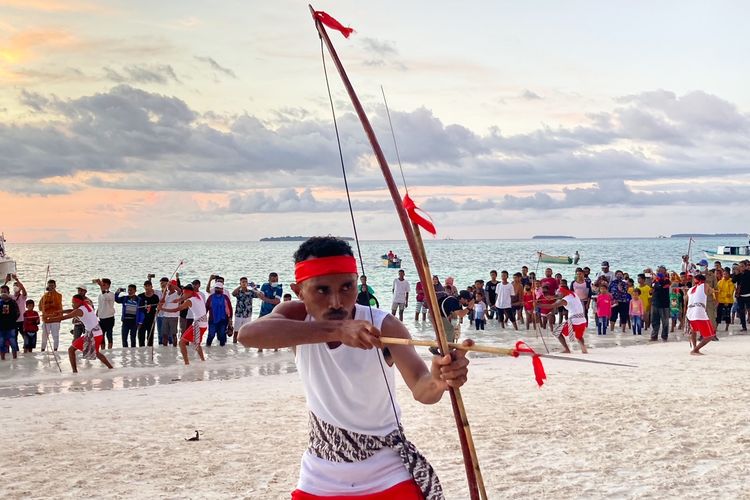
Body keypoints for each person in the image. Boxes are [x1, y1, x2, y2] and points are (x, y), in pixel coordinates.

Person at [238, 236, 471, 500]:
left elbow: (422, 389)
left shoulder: (384, 325)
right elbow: (248, 334)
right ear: (299, 290)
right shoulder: (295, 316)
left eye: (346, 287)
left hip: (388, 473)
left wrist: (439, 380)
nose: (336, 301)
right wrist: (337, 329)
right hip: (320, 475)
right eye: (322, 290)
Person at [45, 294, 113, 373]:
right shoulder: (87, 306)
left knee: (71, 350)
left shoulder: (79, 310)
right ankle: (110, 368)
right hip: (98, 333)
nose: (72, 304)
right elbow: (72, 311)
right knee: (96, 352)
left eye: (73, 303)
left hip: (92, 335)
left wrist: (49, 320)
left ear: (78, 302)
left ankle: (74, 372)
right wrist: (61, 311)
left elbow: (64, 317)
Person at [159, 284, 207, 365]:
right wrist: (178, 300)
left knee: (181, 342)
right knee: (196, 343)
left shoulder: (189, 301)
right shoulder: (198, 296)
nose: (183, 294)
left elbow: (177, 309)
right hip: (204, 323)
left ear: (189, 292)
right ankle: (203, 360)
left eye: (184, 293)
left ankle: (187, 363)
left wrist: (162, 309)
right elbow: (184, 297)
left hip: (199, 324)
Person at [546, 282, 588, 354]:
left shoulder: (565, 300)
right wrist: (552, 297)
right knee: (579, 336)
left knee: (557, 332)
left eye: (559, 292)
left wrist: (538, 305)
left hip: (574, 321)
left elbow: (552, 306)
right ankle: (584, 349)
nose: (558, 293)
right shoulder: (573, 294)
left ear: (563, 292)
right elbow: (559, 296)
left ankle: (567, 349)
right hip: (582, 320)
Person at [686, 274, 716, 354]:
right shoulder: (705, 285)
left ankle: (695, 348)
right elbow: (710, 292)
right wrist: (712, 290)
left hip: (690, 312)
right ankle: (695, 350)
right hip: (699, 312)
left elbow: (685, 299)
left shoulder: (690, 290)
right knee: (710, 336)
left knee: (693, 330)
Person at [232, 278, 259, 344]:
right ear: (240, 283)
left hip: (248, 315)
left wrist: (254, 287)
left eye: (245, 282)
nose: (244, 283)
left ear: (247, 283)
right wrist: (240, 286)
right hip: (239, 314)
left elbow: (259, 295)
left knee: (246, 331)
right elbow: (233, 293)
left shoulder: (250, 292)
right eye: (242, 282)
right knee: (236, 331)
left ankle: (247, 347)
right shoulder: (238, 292)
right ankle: (234, 346)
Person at [206, 282, 233, 347]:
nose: (217, 289)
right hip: (212, 319)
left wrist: (230, 319)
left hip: (223, 319)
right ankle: (208, 349)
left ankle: (222, 352)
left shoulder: (225, 298)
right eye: (216, 288)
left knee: (222, 335)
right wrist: (203, 317)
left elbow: (229, 309)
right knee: (211, 335)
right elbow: (206, 307)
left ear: (222, 289)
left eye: (219, 288)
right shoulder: (211, 297)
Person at [39, 279, 63, 352]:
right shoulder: (44, 296)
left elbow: (56, 304)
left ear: (55, 286)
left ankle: (55, 350)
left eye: (52, 286)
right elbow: (40, 307)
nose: (51, 287)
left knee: (55, 336)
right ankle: (42, 350)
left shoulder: (58, 295)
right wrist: (47, 305)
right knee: (44, 337)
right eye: (49, 286)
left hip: (55, 319)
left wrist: (49, 303)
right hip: (46, 319)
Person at [650, 266, 672, 341]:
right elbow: (652, 289)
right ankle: (654, 336)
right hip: (655, 303)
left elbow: (661, 287)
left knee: (665, 322)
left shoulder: (667, 280)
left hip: (664, 304)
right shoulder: (654, 280)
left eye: (662, 271)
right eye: (659, 271)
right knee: (654, 321)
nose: (660, 273)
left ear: (665, 272)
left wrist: (657, 278)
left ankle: (664, 336)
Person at [137, 281, 160, 347]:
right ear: (144, 287)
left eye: (148, 286)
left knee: (150, 338)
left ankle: (149, 351)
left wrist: (156, 314)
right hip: (141, 320)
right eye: (145, 286)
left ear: (151, 287)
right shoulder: (140, 296)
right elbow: (137, 309)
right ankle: (141, 353)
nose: (147, 287)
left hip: (151, 319)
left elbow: (158, 308)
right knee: (141, 337)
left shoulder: (155, 297)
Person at [94, 278, 116, 349]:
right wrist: (97, 311)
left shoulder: (111, 294)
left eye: (104, 284)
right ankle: (103, 350)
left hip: (109, 317)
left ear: (108, 285)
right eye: (102, 284)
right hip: (101, 318)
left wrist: (101, 286)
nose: (102, 286)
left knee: (109, 335)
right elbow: (101, 304)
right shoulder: (100, 295)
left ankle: (110, 350)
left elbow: (106, 297)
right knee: (101, 335)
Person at [0, 285, 20, 360]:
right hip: (1, 327)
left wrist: (12, 320)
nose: (3, 293)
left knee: (13, 343)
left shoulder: (12, 302)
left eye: (5, 292)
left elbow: (18, 313)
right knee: (1, 343)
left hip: (11, 326)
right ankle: (2, 359)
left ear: (8, 292)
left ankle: (15, 358)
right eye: (2, 292)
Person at [160, 279, 181, 346]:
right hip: (165, 316)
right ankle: (165, 349)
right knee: (164, 334)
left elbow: (179, 290)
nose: (168, 286)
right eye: (168, 285)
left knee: (173, 334)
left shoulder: (177, 294)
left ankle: (175, 349)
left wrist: (171, 284)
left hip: (173, 316)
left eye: (170, 285)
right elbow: (162, 301)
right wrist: (164, 293)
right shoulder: (166, 293)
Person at [731, 261, 750, 332]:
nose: (741, 268)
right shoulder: (738, 275)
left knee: (749, 310)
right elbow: (733, 281)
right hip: (740, 296)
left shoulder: (748, 273)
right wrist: (736, 274)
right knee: (741, 311)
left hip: (748, 295)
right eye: (740, 266)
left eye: (742, 266)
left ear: (745, 266)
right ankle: (744, 326)